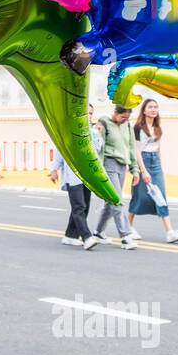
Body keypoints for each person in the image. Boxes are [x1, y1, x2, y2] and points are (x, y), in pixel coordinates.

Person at [128, 99, 178, 244]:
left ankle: (170, 232)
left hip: (155, 163)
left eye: (155, 107)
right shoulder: (137, 128)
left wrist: (159, 166)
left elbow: (158, 147)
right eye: (150, 107)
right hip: (143, 162)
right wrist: (143, 171)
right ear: (144, 111)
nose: (153, 110)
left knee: (161, 196)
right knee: (139, 196)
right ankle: (127, 227)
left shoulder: (157, 127)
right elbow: (136, 151)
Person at [48, 104, 104, 251]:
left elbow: (97, 151)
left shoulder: (94, 132)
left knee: (84, 206)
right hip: (73, 175)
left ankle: (70, 236)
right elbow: (60, 151)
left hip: (87, 175)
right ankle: (87, 237)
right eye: (86, 113)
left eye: (91, 113)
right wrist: (54, 169)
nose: (89, 116)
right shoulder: (69, 132)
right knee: (79, 206)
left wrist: (97, 134)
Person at [94, 104, 139, 250]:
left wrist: (135, 170)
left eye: (127, 117)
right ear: (115, 112)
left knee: (110, 201)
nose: (124, 120)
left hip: (122, 166)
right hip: (109, 164)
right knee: (117, 199)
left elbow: (131, 147)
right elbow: (98, 146)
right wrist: (98, 170)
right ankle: (125, 236)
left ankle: (98, 232)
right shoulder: (104, 122)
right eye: (122, 117)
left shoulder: (127, 126)